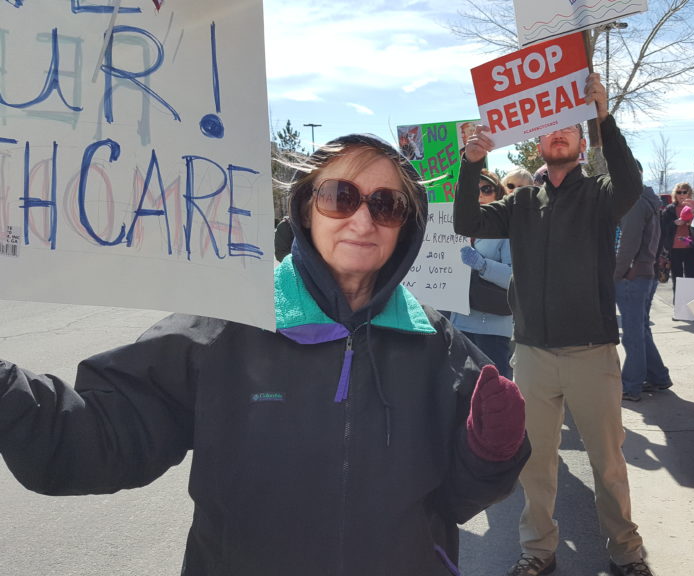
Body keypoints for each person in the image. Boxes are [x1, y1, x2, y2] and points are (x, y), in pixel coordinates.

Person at [0, 134, 531, 575]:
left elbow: (458, 500)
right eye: (340, 197)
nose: (363, 221)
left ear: (406, 228)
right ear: (306, 207)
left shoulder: (434, 344)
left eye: (386, 205)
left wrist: (493, 452)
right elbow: (97, 439)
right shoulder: (223, 329)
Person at [454, 72, 656, 576]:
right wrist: (472, 161)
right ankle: (538, 550)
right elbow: (467, 223)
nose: (558, 134)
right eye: (549, 129)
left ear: (581, 141)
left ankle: (626, 552)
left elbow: (630, 180)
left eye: (569, 127)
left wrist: (603, 116)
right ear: (536, 143)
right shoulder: (520, 202)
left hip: (592, 353)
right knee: (535, 463)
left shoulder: (603, 195)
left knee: (608, 465)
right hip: (535, 356)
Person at [616, 160, 673, 402]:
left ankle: (631, 386)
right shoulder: (646, 199)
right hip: (643, 272)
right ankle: (658, 377)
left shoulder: (633, 202)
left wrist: (616, 272)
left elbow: (627, 244)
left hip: (632, 274)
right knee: (640, 329)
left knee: (632, 334)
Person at [453, 169, 514, 379]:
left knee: (495, 394)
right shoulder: (452, 228)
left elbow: (515, 279)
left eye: (486, 189)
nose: (479, 195)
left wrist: (482, 265)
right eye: (473, 190)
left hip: (492, 327)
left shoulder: (508, 230)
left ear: (498, 194)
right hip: (459, 324)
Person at [660, 182, 694, 290]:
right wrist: (675, 223)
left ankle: (689, 305)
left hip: (691, 247)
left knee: (691, 278)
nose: (681, 194)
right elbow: (663, 228)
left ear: (689, 194)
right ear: (675, 194)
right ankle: (677, 306)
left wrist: (691, 221)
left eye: (684, 192)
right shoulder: (669, 209)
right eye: (679, 192)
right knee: (677, 279)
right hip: (675, 249)